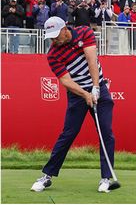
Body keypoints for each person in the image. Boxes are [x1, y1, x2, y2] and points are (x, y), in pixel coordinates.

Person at [30, 16, 116, 193]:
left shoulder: (84, 32)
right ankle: (47, 176)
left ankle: (106, 178)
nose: (54, 40)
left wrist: (96, 87)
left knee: (106, 133)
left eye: (56, 35)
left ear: (64, 29)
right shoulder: (53, 54)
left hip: (99, 87)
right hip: (77, 94)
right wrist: (85, 93)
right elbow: (66, 81)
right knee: (68, 134)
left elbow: (92, 59)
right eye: (51, 37)